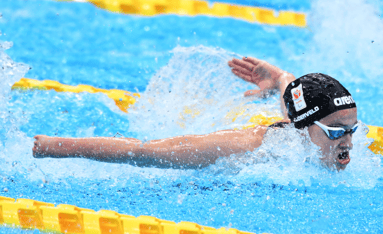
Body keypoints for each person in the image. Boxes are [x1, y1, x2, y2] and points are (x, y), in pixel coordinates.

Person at [33, 57, 358, 171]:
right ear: (303, 129)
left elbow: (295, 103)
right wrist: (57, 147)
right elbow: (143, 151)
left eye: (352, 129)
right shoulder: (250, 148)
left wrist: (281, 77)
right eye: (336, 131)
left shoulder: (307, 125)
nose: (348, 140)